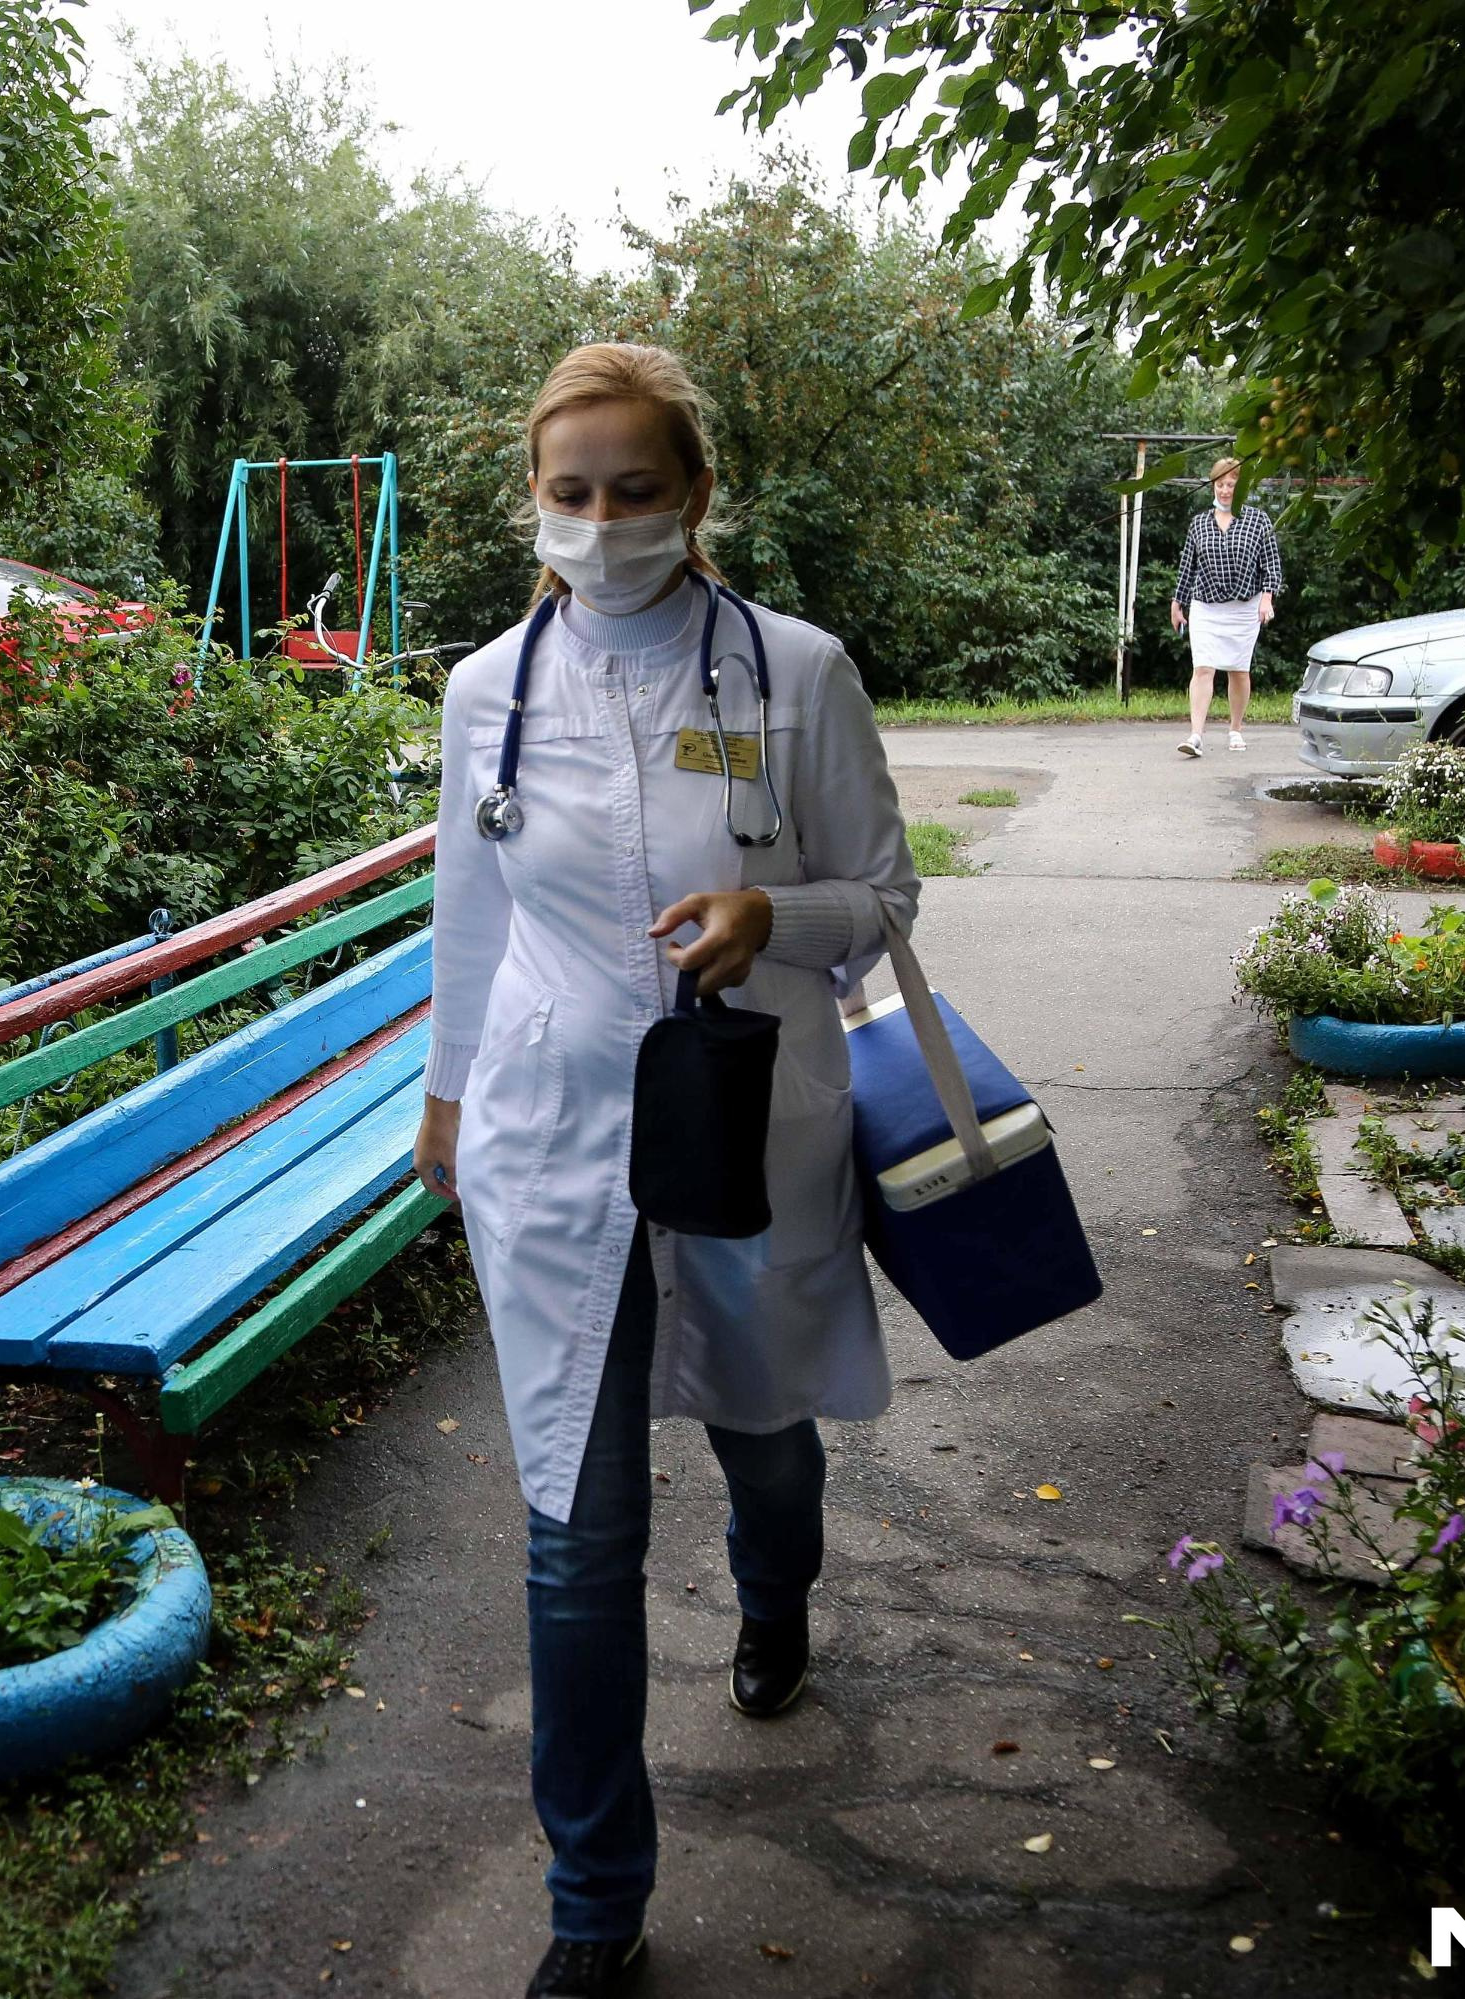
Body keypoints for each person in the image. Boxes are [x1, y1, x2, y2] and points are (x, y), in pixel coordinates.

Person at [412, 342, 920, 1999]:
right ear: (534, 504)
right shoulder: (491, 686)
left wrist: (781, 916)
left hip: (747, 1107)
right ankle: (593, 1896)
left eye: (638, 489)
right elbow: (468, 917)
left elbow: (889, 895)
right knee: (577, 1523)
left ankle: (779, 1591)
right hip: (552, 1133)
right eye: (573, 492)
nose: (604, 520)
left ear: (695, 495)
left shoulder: (798, 671)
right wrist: (442, 1101)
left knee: (767, 1428)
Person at [1169, 455, 1284, 757]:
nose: (1225, 490)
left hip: (1244, 607)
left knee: (1238, 670)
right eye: (1220, 484)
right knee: (1203, 668)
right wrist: (1177, 602)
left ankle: (1235, 728)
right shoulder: (1199, 523)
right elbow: (1187, 566)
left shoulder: (1258, 520)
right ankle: (1196, 735)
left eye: (1231, 484)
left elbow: (1272, 564)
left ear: (1241, 486)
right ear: (1213, 486)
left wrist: (1267, 597)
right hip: (1205, 605)